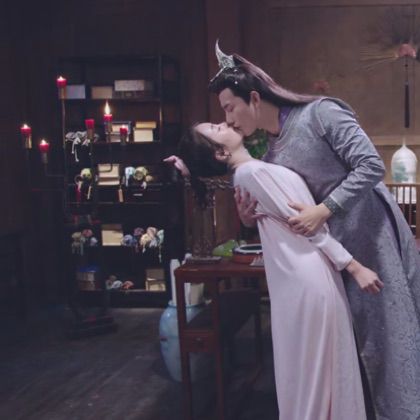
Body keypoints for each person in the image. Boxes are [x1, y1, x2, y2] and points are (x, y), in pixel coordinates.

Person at [165, 45, 420, 420]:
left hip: (370, 235)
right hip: (330, 250)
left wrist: (324, 209)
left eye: (229, 108)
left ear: (254, 98)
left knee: (389, 339)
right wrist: (238, 207)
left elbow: (370, 165)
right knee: (352, 349)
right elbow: (276, 201)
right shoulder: (270, 151)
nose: (227, 119)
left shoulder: (321, 113)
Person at [179, 121, 383, 420]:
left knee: (313, 370)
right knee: (317, 372)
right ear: (220, 153)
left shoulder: (252, 171)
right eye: (216, 127)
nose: (225, 121)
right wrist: (354, 266)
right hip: (307, 273)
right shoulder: (252, 173)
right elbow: (307, 225)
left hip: (301, 272)